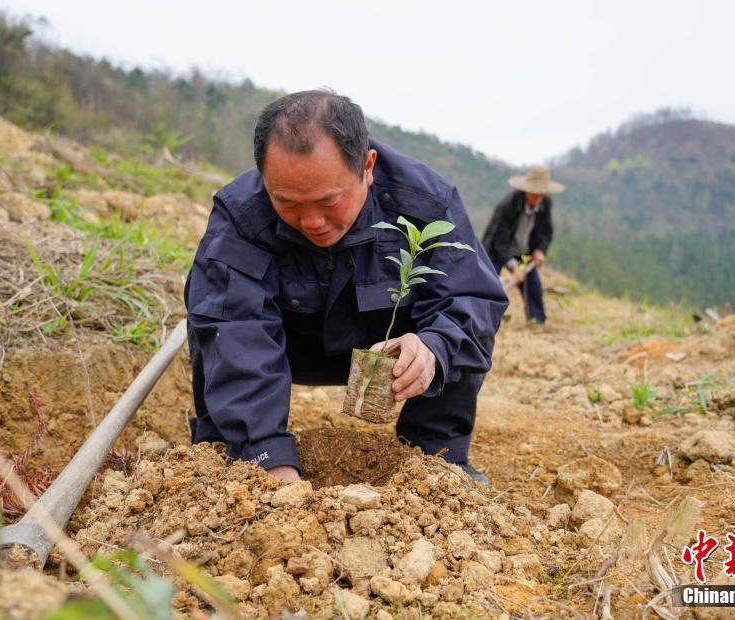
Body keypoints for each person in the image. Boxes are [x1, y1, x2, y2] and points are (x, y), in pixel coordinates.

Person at [185, 90, 508, 484]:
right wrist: (267, 463)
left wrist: (434, 349)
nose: (312, 221)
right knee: (214, 318)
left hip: (386, 355)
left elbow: (472, 297)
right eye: (287, 203)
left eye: (328, 201)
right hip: (287, 348)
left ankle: (437, 455)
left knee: (456, 331)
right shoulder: (242, 213)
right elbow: (236, 326)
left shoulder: (425, 202)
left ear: (367, 167)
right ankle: (229, 446)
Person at [482, 166, 564, 325]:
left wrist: (540, 250)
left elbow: (546, 232)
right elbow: (499, 241)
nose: (538, 197)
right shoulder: (508, 205)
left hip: (524, 252)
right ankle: (484, 320)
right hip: (496, 251)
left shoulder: (545, 205)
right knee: (487, 286)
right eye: (535, 193)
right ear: (526, 190)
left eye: (541, 194)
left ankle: (536, 321)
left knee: (533, 287)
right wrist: (514, 267)